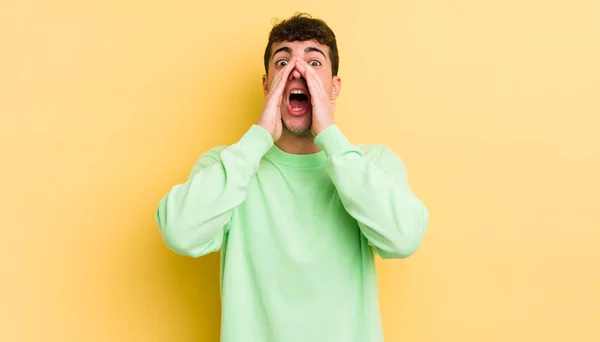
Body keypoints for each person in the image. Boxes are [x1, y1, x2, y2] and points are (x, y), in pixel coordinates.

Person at [155, 12, 430, 342]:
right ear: (267, 84)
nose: (297, 72)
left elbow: (403, 238)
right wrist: (258, 138)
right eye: (283, 63)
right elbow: (180, 232)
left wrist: (330, 134)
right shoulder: (229, 166)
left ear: (334, 87)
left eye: (314, 64)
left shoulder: (373, 165)